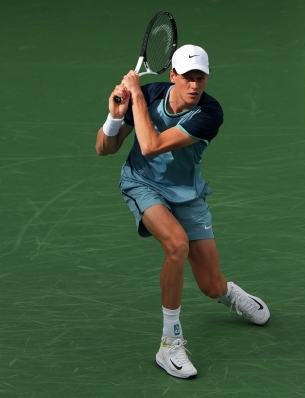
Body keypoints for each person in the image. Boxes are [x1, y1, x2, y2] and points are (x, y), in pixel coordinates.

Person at [95, 44, 270, 379]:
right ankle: (169, 344)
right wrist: (114, 118)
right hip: (142, 183)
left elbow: (151, 145)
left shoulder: (209, 114)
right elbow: (105, 149)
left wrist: (136, 96)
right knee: (176, 245)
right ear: (172, 75)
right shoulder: (150, 94)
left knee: (210, 285)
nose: (194, 85)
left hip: (186, 194)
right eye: (187, 77)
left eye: (200, 78)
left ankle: (228, 293)